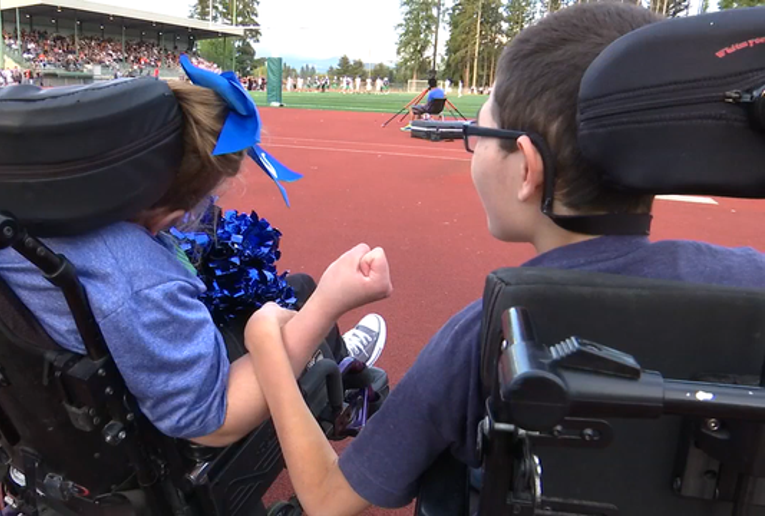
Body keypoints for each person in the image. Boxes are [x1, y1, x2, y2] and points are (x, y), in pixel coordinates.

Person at [241, 3, 765, 515]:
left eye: (479, 138)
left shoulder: (488, 333)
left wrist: (271, 353)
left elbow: (329, 499)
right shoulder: (751, 283)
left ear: (527, 169)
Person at [0, 62, 391, 451]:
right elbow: (215, 421)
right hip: (129, 425)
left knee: (288, 298)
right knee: (303, 292)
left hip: (32, 393)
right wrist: (331, 301)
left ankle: (339, 358)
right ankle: (339, 388)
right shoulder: (137, 278)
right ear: (163, 207)